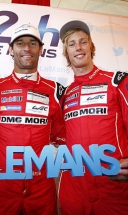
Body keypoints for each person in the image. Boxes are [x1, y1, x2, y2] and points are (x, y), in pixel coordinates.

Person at [0, 23, 65, 215]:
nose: (26, 48)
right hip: (1, 185)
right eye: (20, 43)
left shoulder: (56, 90)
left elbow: (63, 139)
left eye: (32, 43)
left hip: (41, 187)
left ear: (41, 50)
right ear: (11, 49)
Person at [58, 20, 128, 215]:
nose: (78, 48)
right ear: (66, 52)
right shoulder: (64, 94)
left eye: (83, 41)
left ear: (91, 46)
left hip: (115, 185)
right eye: (71, 44)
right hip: (75, 188)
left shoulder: (118, 81)